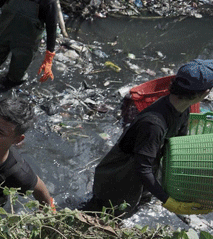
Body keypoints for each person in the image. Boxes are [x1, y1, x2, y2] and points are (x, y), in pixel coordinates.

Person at [84, 59, 213, 216]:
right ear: (205, 93)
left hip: (140, 175)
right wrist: (169, 201)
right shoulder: (153, 124)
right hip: (117, 180)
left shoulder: (182, 110)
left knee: (129, 211)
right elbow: (142, 169)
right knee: (100, 216)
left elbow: (178, 145)